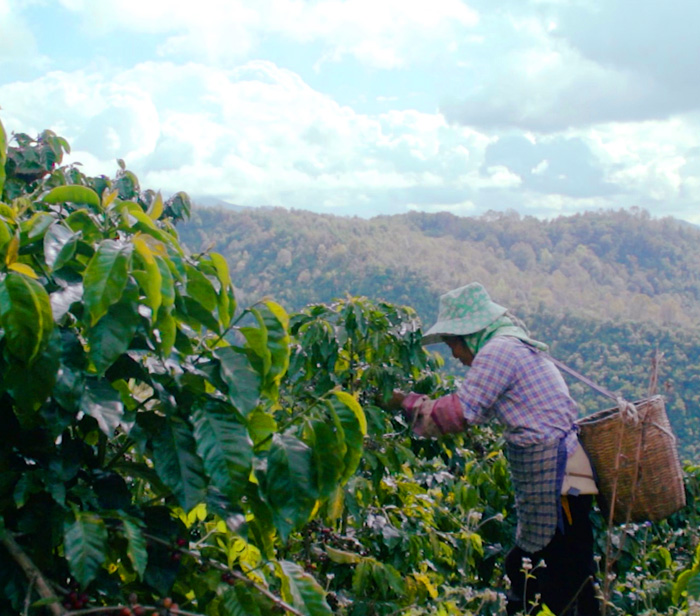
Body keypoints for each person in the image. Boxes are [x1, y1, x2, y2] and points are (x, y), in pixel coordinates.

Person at [389, 282, 600, 616]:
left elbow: (459, 413)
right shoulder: (512, 346)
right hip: (560, 477)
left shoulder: (499, 351)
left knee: (553, 572)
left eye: (452, 345)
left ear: (468, 335)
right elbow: (480, 409)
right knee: (559, 570)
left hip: (559, 481)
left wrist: (405, 402)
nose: (455, 356)